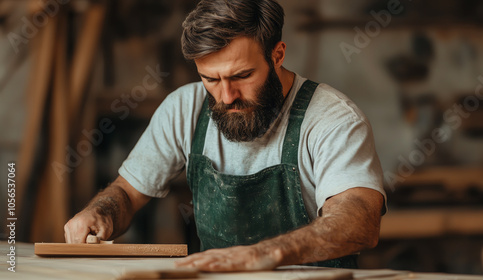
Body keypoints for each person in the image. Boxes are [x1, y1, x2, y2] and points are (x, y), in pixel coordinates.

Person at [64, 0, 387, 272]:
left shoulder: (333, 119)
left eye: (242, 75)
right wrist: (101, 211)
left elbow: (357, 221)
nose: (227, 96)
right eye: (211, 79)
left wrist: (264, 254)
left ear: (277, 55)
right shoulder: (184, 108)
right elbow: (127, 192)